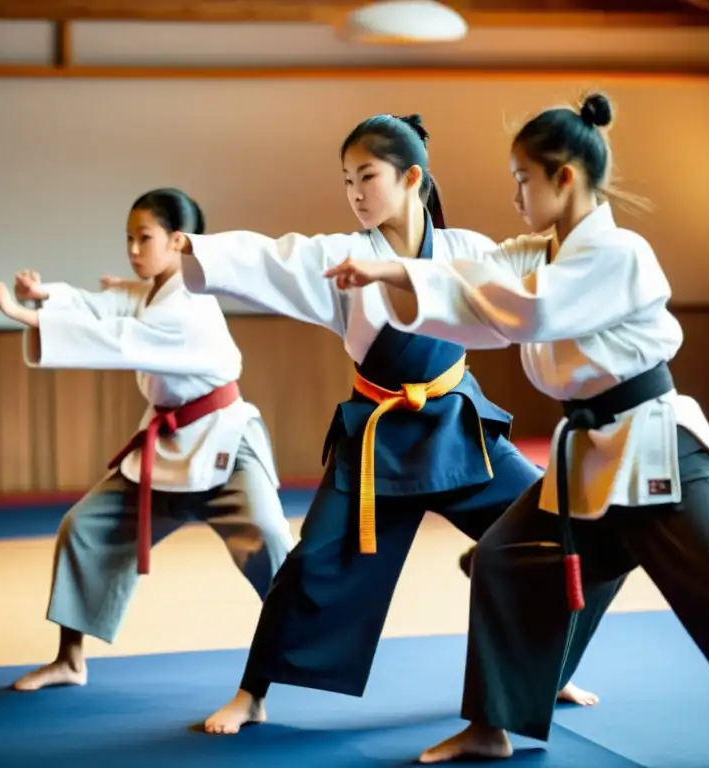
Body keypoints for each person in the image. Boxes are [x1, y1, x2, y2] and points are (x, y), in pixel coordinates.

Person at [324, 92, 709, 763]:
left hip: (658, 447)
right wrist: (395, 268)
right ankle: (492, 725)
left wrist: (391, 266)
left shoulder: (619, 253)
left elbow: (531, 312)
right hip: (592, 458)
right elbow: (473, 280)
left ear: (563, 178)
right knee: (504, 559)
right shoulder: (537, 251)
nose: (515, 196)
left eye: (524, 180)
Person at [169, 112, 595, 735]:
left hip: (458, 423)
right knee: (312, 565)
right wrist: (203, 250)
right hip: (376, 436)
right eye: (347, 181)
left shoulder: (467, 249)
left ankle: (544, 668)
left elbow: (530, 278)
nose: (356, 193)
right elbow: (274, 256)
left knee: (553, 531)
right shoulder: (344, 255)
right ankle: (253, 692)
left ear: (410, 177)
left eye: (367, 176)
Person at [0, 188, 295, 692]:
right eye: (129, 238)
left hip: (225, 441)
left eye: (144, 238)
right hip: (165, 445)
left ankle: (304, 646)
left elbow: (117, 337)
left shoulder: (188, 304)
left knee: (271, 537)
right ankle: (69, 659)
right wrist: (48, 295)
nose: (133, 249)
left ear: (178, 242)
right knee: (84, 527)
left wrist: (23, 315)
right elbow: (107, 303)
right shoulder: (152, 290)